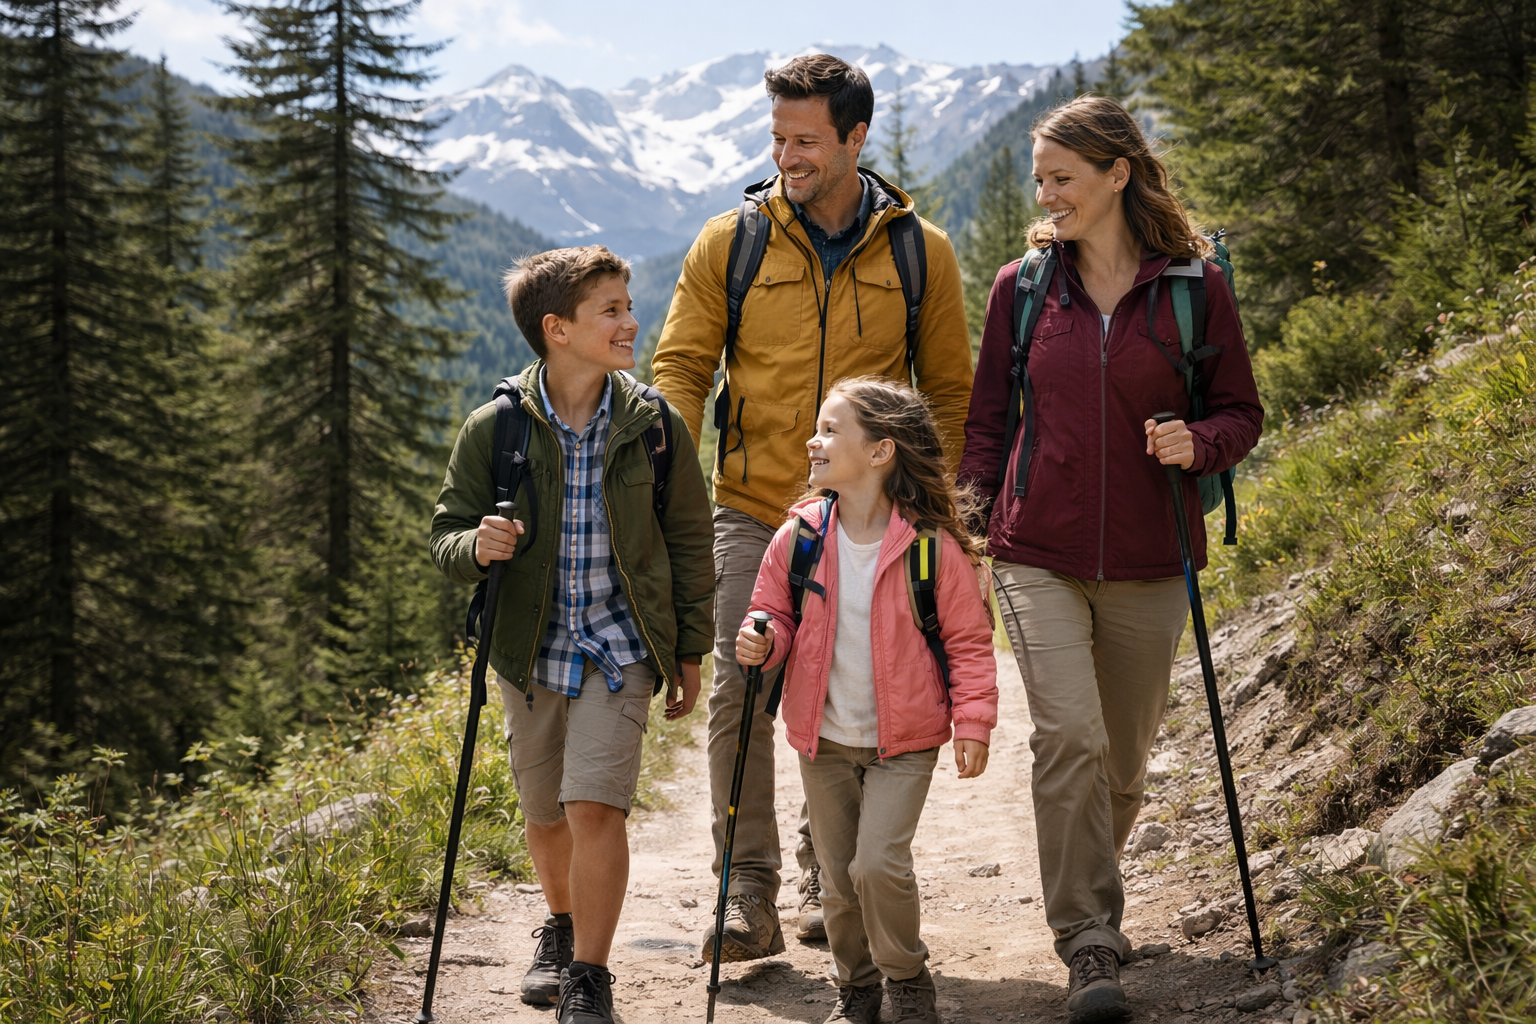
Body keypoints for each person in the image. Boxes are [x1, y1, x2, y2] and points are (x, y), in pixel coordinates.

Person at [652, 52, 974, 962]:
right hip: (752, 507)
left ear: (854, 137)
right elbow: (681, 365)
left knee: (847, 694)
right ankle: (743, 891)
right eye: (777, 137)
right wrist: (670, 471)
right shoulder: (734, 240)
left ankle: (820, 873)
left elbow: (947, 391)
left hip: (873, 515)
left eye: (805, 139)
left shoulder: (922, 252)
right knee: (741, 688)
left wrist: (936, 511)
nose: (787, 154)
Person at [958, 96, 1264, 1023]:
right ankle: (1088, 936)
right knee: (1071, 740)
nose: (1046, 195)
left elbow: (1240, 412)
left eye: (1063, 177)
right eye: (1039, 179)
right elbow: (986, 424)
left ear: (1117, 173)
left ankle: (1093, 873)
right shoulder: (1023, 287)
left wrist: (1197, 446)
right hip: (1034, 549)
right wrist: (969, 523)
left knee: (1123, 764)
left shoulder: (1192, 287)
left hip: (1150, 554)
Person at [429, 245, 714, 1024]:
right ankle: (559, 926)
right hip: (531, 652)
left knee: (595, 807)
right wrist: (477, 546)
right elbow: (446, 537)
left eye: (627, 305)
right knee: (546, 811)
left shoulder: (655, 425)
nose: (630, 323)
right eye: (611, 311)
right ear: (557, 329)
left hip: (619, 647)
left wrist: (690, 648)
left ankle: (589, 977)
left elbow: (689, 539)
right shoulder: (498, 429)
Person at [736, 377, 998, 1024]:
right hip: (821, 740)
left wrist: (974, 722)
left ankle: (907, 980)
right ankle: (856, 989)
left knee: (877, 865)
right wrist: (761, 641)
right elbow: (774, 614)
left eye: (829, 430)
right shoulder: (797, 538)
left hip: (903, 743)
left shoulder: (930, 548)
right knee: (837, 878)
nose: (813, 440)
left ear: (881, 452)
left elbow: (968, 642)